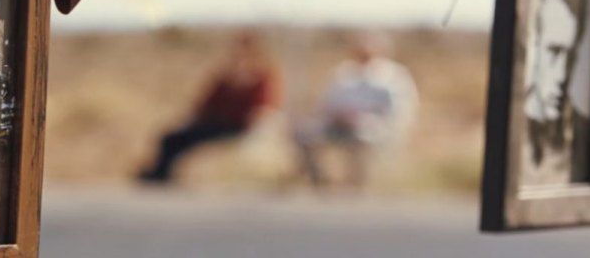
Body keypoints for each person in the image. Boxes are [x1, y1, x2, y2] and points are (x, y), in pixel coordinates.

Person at [139, 32, 281, 184]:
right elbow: (206, 103)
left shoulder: (261, 78)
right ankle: (161, 173)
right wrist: (193, 118)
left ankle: (161, 175)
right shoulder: (225, 78)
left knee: (188, 137)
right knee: (172, 138)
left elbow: (264, 107)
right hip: (211, 123)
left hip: (236, 127)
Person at [296, 32, 418, 189]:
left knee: (361, 138)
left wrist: (363, 118)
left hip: (372, 128)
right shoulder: (343, 74)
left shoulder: (393, 77)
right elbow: (326, 104)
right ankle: (322, 182)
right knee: (305, 134)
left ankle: (355, 184)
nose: (363, 53)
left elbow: (399, 112)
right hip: (338, 125)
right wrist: (338, 115)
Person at [524, 0, 590, 183]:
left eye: (571, 56)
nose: (563, 74)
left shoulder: (583, 130)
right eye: (554, 52)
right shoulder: (514, 125)